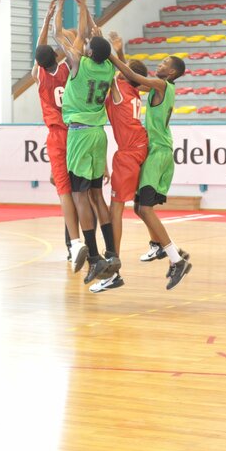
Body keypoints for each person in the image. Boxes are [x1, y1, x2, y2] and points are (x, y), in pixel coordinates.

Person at [109, 51, 192, 290]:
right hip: (156, 151)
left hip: (158, 153)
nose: (160, 64)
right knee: (139, 207)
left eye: (165, 63)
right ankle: (163, 247)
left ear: (172, 72)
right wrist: (121, 53)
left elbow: (133, 76)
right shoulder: (160, 87)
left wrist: (110, 56)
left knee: (144, 209)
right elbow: (132, 80)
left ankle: (176, 260)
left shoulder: (162, 84)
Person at [52, 0, 118, 286]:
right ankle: (111, 252)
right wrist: (83, 5)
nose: (85, 43)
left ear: (90, 53)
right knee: (96, 195)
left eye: (88, 45)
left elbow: (62, 35)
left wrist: (65, 3)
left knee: (80, 197)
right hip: (99, 135)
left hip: (79, 135)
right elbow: (91, 34)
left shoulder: (80, 64)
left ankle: (94, 257)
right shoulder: (108, 69)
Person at [90, 33, 151, 293]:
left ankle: (113, 269)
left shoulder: (119, 86)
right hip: (139, 147)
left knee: (116, 210)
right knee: (134, 207)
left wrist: (101, 43)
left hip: (128, 153)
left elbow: (116, 68)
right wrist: (120, 50)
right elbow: (128, 72)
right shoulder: (133, 89)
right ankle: (162, 247)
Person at [32, 2, 80, 266]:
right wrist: (56, 20)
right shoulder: (68, 69)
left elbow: (39, 52)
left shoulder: (39, 76)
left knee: (65, 192)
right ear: (55, 55)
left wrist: (46, 20)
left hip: (56, 136)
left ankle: (73, 244)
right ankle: (82, 243)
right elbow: (67, 49)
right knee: (80, 192)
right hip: (75, 132)